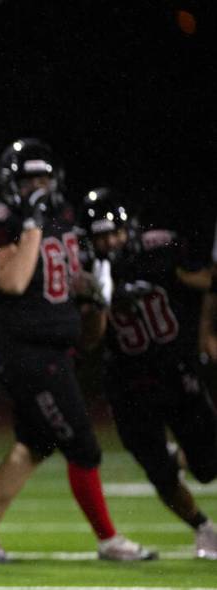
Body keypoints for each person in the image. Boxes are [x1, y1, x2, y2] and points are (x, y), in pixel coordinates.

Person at [0, 139, 155, 561]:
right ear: (10, 183)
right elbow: (14, 281)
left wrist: (93, 296)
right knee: (83, 447)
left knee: (34, 444)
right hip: (28, 354)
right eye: (28, 179)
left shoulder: (65, 218)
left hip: (55, 351)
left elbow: (66, 281)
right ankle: (109, 540)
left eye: (43, 178)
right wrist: (31, 226)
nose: (37, 186)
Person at [77, 187, 217, 559]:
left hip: (176, 371)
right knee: (160, 473)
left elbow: (204, 281)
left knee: (208, 466)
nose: (108, 243)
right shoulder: (87, 273)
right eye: (99, 236)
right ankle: (204, 529)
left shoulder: (162, 249)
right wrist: (96, 300)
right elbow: (90, 340)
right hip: (128, 384)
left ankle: (182, 456)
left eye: (114, 233)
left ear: (130, 229)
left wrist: (204, 330)